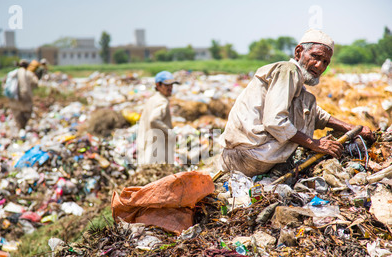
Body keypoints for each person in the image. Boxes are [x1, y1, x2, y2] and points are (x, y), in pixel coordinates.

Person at [218, 29, 375, 177]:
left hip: (256, 157)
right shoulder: (288, 70)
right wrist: (314, 144)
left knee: (307, 100)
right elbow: (274, 121)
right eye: (315, 57)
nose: (320, 66)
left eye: (325, 62)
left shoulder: (298, 86)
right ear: (299, 52)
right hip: (247, 155)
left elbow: (315, 114)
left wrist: (352, 128)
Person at [136, 71, 180, 165]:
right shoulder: (162, 101)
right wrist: (170, 133)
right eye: (166, 85)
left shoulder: (152, 99)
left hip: (146, 144)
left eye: (171, 85)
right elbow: (154, 120)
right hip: (156, 147)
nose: (170, 88)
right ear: (158, 85)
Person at [10, 59, 39, 134]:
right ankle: (24, 127)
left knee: (17, 112)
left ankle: (20, 128)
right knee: (27, 111)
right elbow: (35, 83)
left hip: (13, 96)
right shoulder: (28, 73)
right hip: (25, 95)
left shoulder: (13, 73)